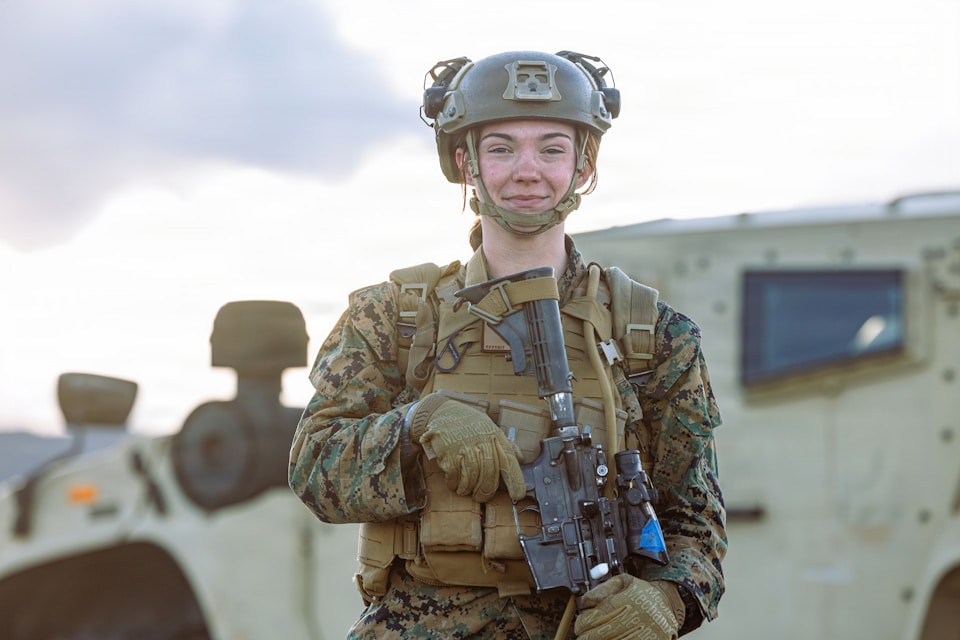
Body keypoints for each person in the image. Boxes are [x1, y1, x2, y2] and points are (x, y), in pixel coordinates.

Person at [289, 50, 726, 639]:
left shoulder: (650, 336)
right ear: (465, 161)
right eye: (501, 148)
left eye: (552, 148)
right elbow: (316, 467)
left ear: (583, 165)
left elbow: (695, 519)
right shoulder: (396, 318)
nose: (528, 170)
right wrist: (417, 425)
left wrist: (668, 602)